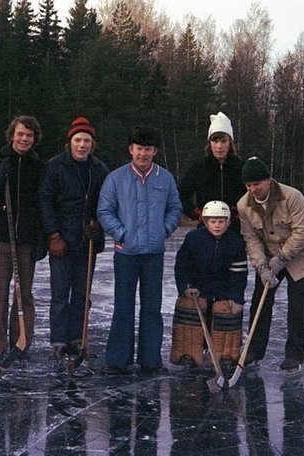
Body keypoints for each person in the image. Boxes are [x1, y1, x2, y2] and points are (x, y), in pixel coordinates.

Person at [97, 126, 183, 375]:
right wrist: (121, 233)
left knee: (152, 307)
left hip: (153, 253)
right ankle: (117, 360)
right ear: (130, 150)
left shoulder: (164, 178)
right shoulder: (116, 178)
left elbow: (175, 208)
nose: (143, 153)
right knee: (123, 306)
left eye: (148, 149)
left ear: (154, 151)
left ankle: (150, 360)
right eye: (138, 148)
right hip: (126, 253)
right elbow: (105, 211)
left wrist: (163, 230)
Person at [237, 156, 304, 372]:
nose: (253, 189)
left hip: (300, 257)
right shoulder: (243, 205)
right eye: (249, 185)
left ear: (268, 180)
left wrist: (282, 258)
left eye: (257, 184)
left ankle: (294, 356)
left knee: (297, 306)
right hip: (268, 257)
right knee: (260, 303)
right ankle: (254, 351)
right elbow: (251, 239)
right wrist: (261, 267)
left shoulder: (292, 197)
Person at [39, 117, 110, 367]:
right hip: (62, 240)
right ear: (69, 142)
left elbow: (107, 202)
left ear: (93, 143)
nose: (82, 145)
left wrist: (98, 223)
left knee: (82, 294)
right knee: (60, 294)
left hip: (87, 242)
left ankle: (77, 340)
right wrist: (53, 235)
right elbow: (46, 202)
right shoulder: (55, 167)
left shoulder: (99, 169)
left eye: (86, 141)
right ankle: (58, 342)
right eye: (77, 140)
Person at [0, 115, 46, 363]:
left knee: (24, 292)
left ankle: (22, 342)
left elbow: (42, 204)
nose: (24, 139)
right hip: (2, 237)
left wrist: (42, 238)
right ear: (12, 135)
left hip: (27, 238)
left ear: (34, 138)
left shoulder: (38, 165)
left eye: (29, 135)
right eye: (20, 134)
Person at [172, 200, 247, 369]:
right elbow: (182, 266)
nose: (217, 225)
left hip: (223, 290)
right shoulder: (193, 238)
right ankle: (189, 353)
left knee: (225, 309)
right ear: (205, 222)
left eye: (221, 221)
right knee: (189, 306)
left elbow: (239, 275)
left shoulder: (236, 242)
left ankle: (225, 355)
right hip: (199, 289)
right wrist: (185, 286)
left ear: (228, 222)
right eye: (213, 221)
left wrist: (236, 297)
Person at [178, 112, 245, 231]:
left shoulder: (241, 167)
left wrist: (242, 214)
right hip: (206, 230)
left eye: (223, 141)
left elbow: (253, 196)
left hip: (236, 230)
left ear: (230, 143)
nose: (219, 146)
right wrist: (197, 214)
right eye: (215, 141)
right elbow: (180, 195)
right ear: (210, 143)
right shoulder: (199, 168)